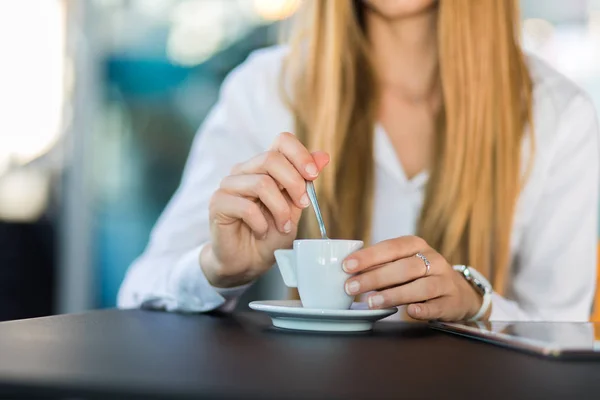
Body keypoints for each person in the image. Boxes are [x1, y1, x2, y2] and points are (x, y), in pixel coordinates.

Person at [118, 0, 599, 322]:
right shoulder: (265, 89)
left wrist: (477, 305)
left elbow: (562, 339)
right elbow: (139, 291)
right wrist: (218, 268)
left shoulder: (558, 116)